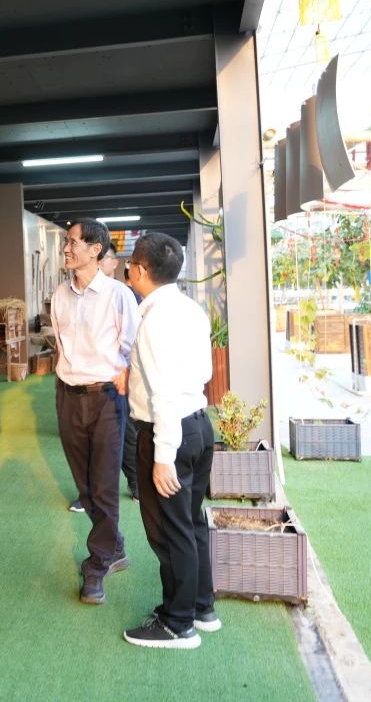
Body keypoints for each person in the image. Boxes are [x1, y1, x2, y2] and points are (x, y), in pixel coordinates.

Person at [122, 232, 218, 649]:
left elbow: (162, 393)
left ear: (142, 270)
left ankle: (178, 624)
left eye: (130, 263)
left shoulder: (154, 319)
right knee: (191, 523)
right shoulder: (190, 309)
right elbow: (202, 374)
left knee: (169, 532)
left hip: (169, 432)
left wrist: (162, 456)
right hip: (198, 425)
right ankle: (201, 607)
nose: (127, 268)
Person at [50, 218, 140, 605]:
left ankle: (98, 563)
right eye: (67, 242)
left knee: (103, 484)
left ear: (95, 249)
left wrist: (125, 386)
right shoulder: (59, 295)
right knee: (85, 487)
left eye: (73, 242)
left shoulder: (119, 294)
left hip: (106, 398)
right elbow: (61, 345)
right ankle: (114, 545)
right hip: (68, 395)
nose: (66, 248)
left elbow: (132, 347)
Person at [99, 241, 139, 503]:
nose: (99, 262)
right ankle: (90, 492)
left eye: (105, 257)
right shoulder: (84, 296)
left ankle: (136, 484)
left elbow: (132, 343)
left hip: (120, 378)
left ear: (114, 263)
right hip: (92, 381)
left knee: (126, 435)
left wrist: (126, 374)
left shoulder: (124, 295)